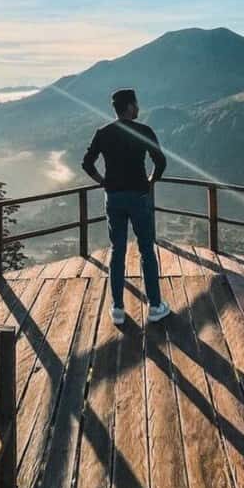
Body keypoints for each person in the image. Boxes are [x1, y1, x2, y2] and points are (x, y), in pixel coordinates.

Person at [81, 88, 170, 324]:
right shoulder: (144, 131)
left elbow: (87, 163)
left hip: (114, 197)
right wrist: (151, 180)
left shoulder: (103, 133)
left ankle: (118, 309)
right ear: (129, 106)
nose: (138, 108)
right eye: (136, 104)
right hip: (139, 196)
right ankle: (155, 306)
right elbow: (160, 161)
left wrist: (103, 182)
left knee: (117, 250)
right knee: (146, 251)